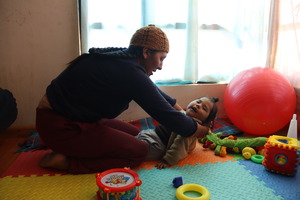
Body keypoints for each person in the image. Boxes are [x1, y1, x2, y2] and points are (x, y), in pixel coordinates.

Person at [36, 25, 209, 174]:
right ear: (146, 52)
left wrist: (180, 110)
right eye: (161, 58)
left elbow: (155, 93)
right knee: (138, 151)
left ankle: (77, 150)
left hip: (74, 119)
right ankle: (68, 162)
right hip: (59, 128)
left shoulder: (125, 62)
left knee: (137, 134)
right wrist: (203, 131)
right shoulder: (130, 72)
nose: (161, 66)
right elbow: (168, 117)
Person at [136, 96, 219, 169]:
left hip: (157, 145)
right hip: (152, 133)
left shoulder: (189, 129)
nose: (198, 105)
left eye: (204, 108)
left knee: (134, 149)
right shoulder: (183, 114)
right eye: (198, 101)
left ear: (206, 120)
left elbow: (179, 148)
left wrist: (167, 160)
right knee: (133, 136)